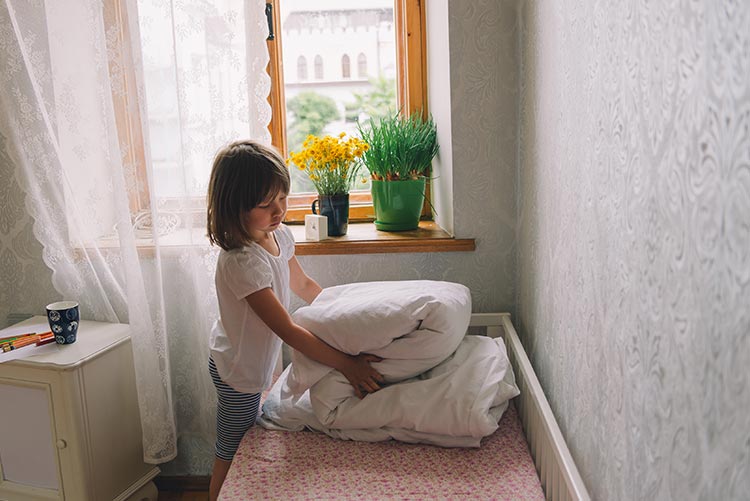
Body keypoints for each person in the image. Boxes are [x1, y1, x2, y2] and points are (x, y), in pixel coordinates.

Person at [205, 140, 384, 500]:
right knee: (232, 449)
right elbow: (286, 329)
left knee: (247, 438)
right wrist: (347, 364)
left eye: (283, 198)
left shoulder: (278, 235)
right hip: (237, 371)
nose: (279, 210)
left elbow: (303, 283)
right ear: (235, 207)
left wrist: (340, 316)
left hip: (254, 359)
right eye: (265, 205)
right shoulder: (241, 263)